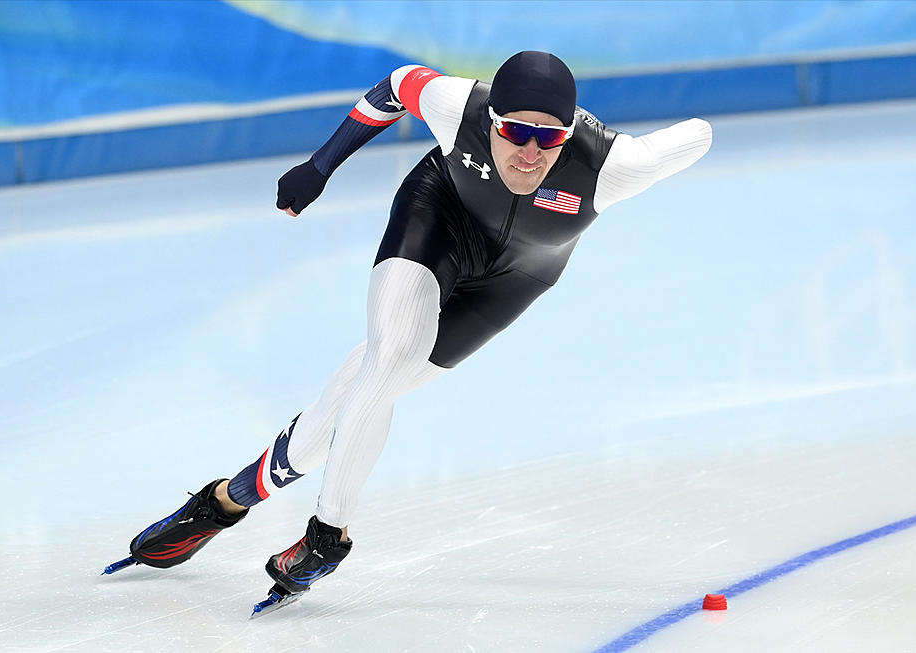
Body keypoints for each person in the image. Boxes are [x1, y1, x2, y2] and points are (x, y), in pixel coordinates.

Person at [120, 51, 713, 600]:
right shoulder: (460, 108)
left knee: (361, 389)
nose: (529, 154)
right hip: (439, 219)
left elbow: (698, 136)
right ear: (492, 121)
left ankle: (228, 500)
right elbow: (398, 84)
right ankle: (328, 537)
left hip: (518, 276)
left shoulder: (614, 163)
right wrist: (320, 166)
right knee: (387, 358)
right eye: (514, 133)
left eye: (549, 139)